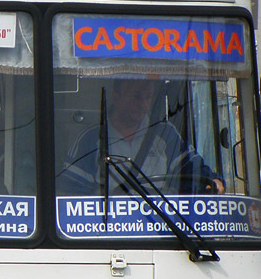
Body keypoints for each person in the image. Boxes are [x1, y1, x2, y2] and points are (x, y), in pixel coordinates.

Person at [58, 79, 224, 195]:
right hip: (107, 233)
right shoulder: (90, 139)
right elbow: (71, 193)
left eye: (148, 97)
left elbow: (193, 170)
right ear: (116, 97)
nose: (143, 104)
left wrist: (213, 181)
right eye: (136, 96)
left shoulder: (166, 134)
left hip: (161, 228)